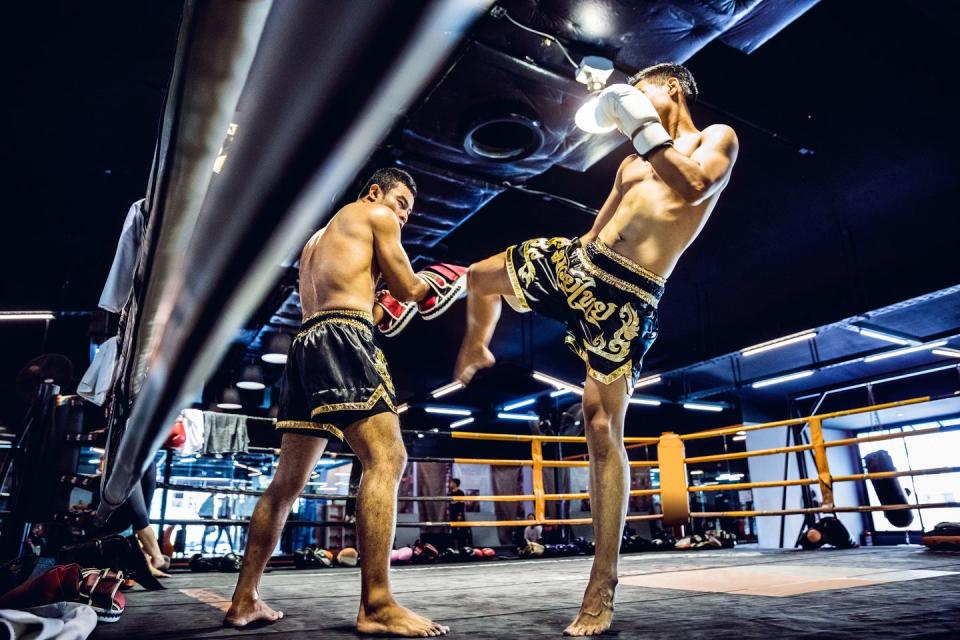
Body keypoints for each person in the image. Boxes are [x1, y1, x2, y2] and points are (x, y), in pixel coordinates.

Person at [453, 63, 738, 636]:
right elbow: (596, 228)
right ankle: (477, 348)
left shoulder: (717, 138)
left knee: (600, 426)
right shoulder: (632, 162)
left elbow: (694, 185)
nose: (633, 97)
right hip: (583, 263)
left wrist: (635, 119)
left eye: (644, 88)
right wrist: (551, 280)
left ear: (673, 88)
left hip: (630, 293)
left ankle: (602, 583)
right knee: (480, 278)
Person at [226, 168, 464, 636]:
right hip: (344, 340)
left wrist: (389, 303)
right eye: (400, 203)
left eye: (408, 213)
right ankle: (376, 604)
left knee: (286, 484)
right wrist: (440, 281)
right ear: (375, 192)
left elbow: (370, 306)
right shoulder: (376, 214)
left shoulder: (319, 240)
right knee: (388, 457)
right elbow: (409, 289)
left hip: (306, 345)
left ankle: (244, 598)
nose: (402, 216)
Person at [447, 478, 469, 549]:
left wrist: (460, 514)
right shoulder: (450, 494)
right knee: (454, 530)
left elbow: (462, 505)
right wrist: (448, 511)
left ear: (455, 484)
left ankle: (464, 546)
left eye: (451, 483)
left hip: (459, 515)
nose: (450, 484)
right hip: (452, 514)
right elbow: (449, 504)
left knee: (462, 530)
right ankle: (455, 547)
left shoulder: (460, 493)